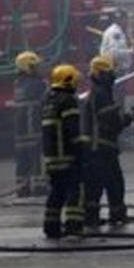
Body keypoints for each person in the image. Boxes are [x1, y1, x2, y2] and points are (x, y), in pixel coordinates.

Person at [82, 56, 134, 228]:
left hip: (97, 148)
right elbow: (113, 122)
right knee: (113, 182)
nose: (112, 76)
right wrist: (128, 117)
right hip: (103, 148)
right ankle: (115, 214)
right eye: (109, 73)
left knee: (96, 184)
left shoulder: (97, 92)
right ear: (99, 74)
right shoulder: (102, 94)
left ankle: (92, 217)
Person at [41, 64, 85, 238]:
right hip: (67, 155)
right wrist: (81, 151)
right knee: (76, 189)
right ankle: (74, 225)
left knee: (57, 191)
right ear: (68, 80)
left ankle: (51, 226)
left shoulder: (48, 100)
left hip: (52, 157)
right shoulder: (68, 101)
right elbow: (72, 130)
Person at [13, 51, 47, 196]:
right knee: (37, 159)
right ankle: (39, 186)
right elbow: (46, 100)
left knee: (22, 160)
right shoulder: (38, 84)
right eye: (35, 66)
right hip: (35, 129)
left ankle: (22, 188)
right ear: (28, 68)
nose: (39, 69)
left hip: (20, 132)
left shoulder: (18, 84)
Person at [98, 12, 134, 76]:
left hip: (118, 69)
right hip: (115, 70)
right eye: (124, 19)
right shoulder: (115, 32)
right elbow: (114, 53)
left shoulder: (120, 31)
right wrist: (132, 51)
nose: (126, 21)